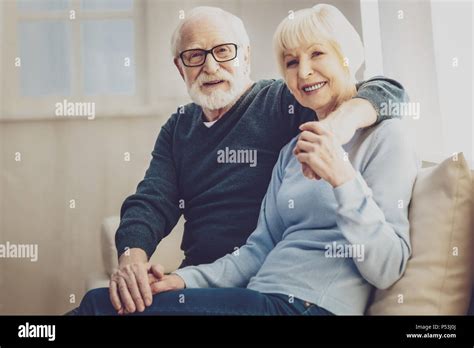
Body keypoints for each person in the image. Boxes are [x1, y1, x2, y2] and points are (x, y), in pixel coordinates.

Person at [76, 4, 419, 316]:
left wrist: (338, 131)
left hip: (293, 300)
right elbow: (153, 201)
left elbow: (387, 91)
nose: (210, 66)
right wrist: (146, 265)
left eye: (224, 51)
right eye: (194, 56)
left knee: (97, 307)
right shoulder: (187, 129)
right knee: (106, 302)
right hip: (227, 285)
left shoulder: (284, 102)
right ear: (180, 68)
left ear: (247, 57)